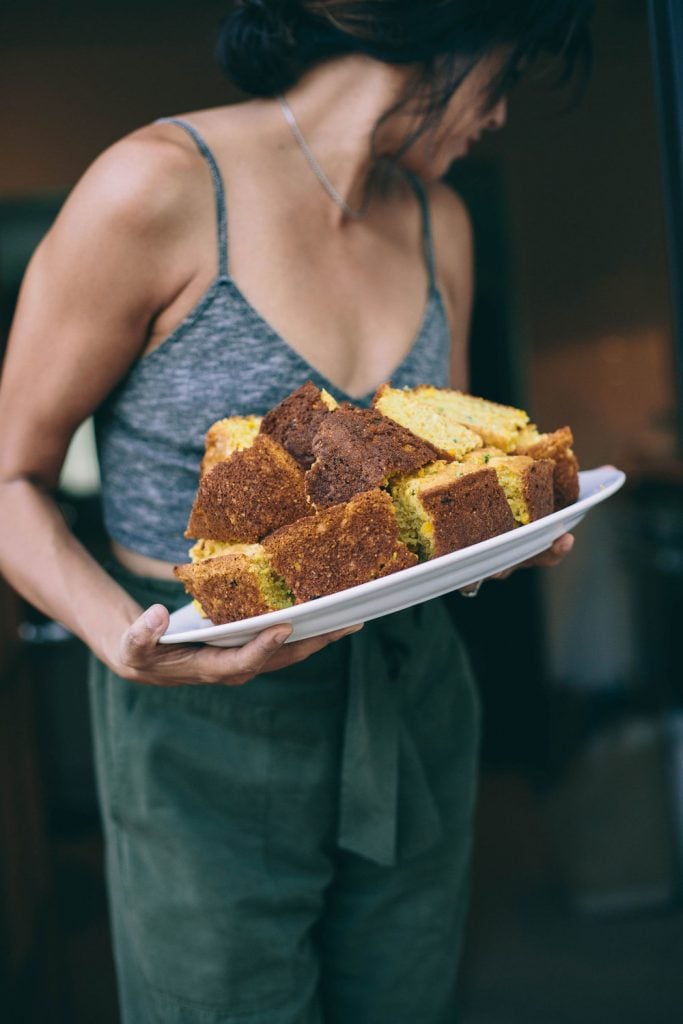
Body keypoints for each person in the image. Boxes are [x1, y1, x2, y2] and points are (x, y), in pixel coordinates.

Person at [0, 1, 592, 1021]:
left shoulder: (441, 223)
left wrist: (496, 534)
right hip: (200, 713)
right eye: (505, 74)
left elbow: (440, 489)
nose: (498, 115)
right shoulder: (153, 187)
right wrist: (119, 641)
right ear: (440, 23)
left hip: (412, 685)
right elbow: (11, 478)